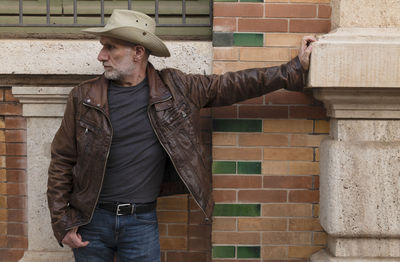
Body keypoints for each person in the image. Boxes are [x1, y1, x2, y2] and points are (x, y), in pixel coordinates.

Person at [47, 9, 316, 262]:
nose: (101, 56)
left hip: (141, 224)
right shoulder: (84, 97)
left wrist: (291, 70)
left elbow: (232, 85)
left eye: (110, 47)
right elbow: (61, 160)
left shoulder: (176, 88)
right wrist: (62, 223)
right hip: (91, 222)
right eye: (102, 46)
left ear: (138, 52)